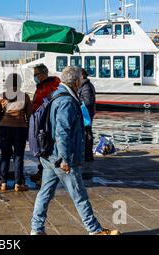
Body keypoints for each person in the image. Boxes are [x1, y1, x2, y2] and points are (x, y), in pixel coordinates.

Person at [30, 66, 120, 235]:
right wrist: (64, 159)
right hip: (61, 157)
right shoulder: (66, 101)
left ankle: (36, 229)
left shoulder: (57, 95)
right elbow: (62, 132)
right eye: (80, 80)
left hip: (49, 155)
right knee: (79, 195)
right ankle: (95, 230)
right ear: (76, 82)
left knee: (45, 193)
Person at [0, 73, 33, 192]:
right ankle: (18, 184)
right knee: (18, 156)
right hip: (20, 129)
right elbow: (30, 115)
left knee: (5, 156)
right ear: (19, 83)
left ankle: (3, 182)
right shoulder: (24, 96)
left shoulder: (2, 96)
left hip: (5, 128)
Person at [30, 64, 61, 184]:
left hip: (45, 122)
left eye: (35, 75)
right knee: (41, 146)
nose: (34, 77)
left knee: (43, 147)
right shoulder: (43, 86)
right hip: (40, 120)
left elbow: (46, 104)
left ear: (43, 74)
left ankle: (44, 174)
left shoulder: (50, 86)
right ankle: (42, 172)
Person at [78, 68, 96, 162]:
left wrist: (77, 101)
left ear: (82, 76)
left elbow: (88, 102)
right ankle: (87, 154)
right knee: (86, 133)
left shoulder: (86, 87)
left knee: (87, 133)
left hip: (86, 114)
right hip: (87, 113)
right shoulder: (85, 85)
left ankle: (87, 155)